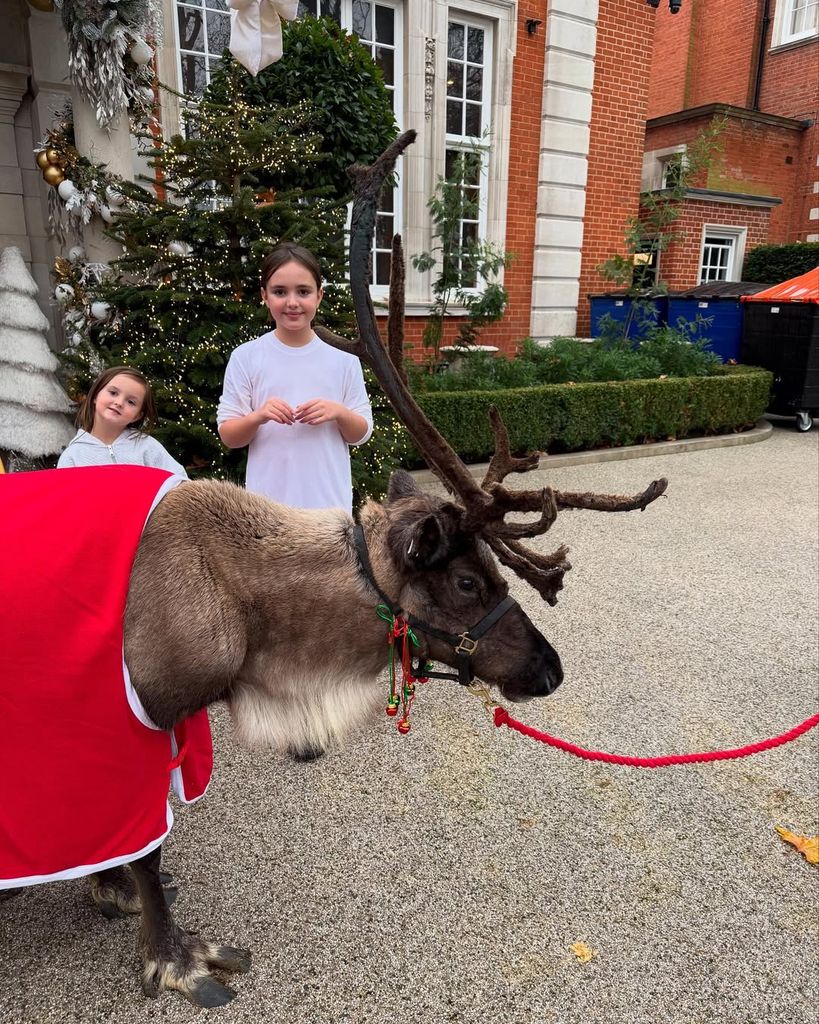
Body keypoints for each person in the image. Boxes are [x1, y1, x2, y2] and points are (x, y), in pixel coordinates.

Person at [217, 243, 372, 514]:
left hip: (328, 514)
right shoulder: (247, 357)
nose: (292, 302)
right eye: (279, 292)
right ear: (264, 295)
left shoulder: (343, 357)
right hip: (267, 513)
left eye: (303, 291)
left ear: (319, 295)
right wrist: (259, 416)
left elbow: (361, 433)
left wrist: (338, 412)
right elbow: (229, 436)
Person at [57, 366, 187, 476]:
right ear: (95, 395)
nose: (119, 403)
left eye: (131, 402)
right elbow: (64, 500)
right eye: (113, 393)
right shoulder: (73, 455)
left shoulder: (146, 446)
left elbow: (178, 480)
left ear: (137, 415)